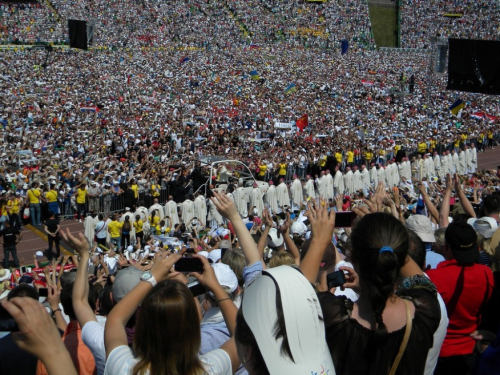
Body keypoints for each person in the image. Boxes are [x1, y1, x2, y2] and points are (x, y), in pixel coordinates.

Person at [300, 202, 442, 374]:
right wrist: (384, 231)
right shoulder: (425, 310)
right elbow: (420, 278)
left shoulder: (331, 314)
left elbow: (295, 298)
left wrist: (319, 240)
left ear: (353, 258)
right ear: (403, 258)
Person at [103, 249, 240, 375]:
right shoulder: (211, 370)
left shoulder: (124, 369)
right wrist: (215, 286)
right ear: (193, 328)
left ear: (143, 325)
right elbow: (242, 335)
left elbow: (115, 319)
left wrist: (152, 277)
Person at [427, 221, 494, 375]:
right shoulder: (486, 273)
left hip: (441, 352)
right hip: (472, 349)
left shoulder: (433, 277)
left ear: (446, 247)